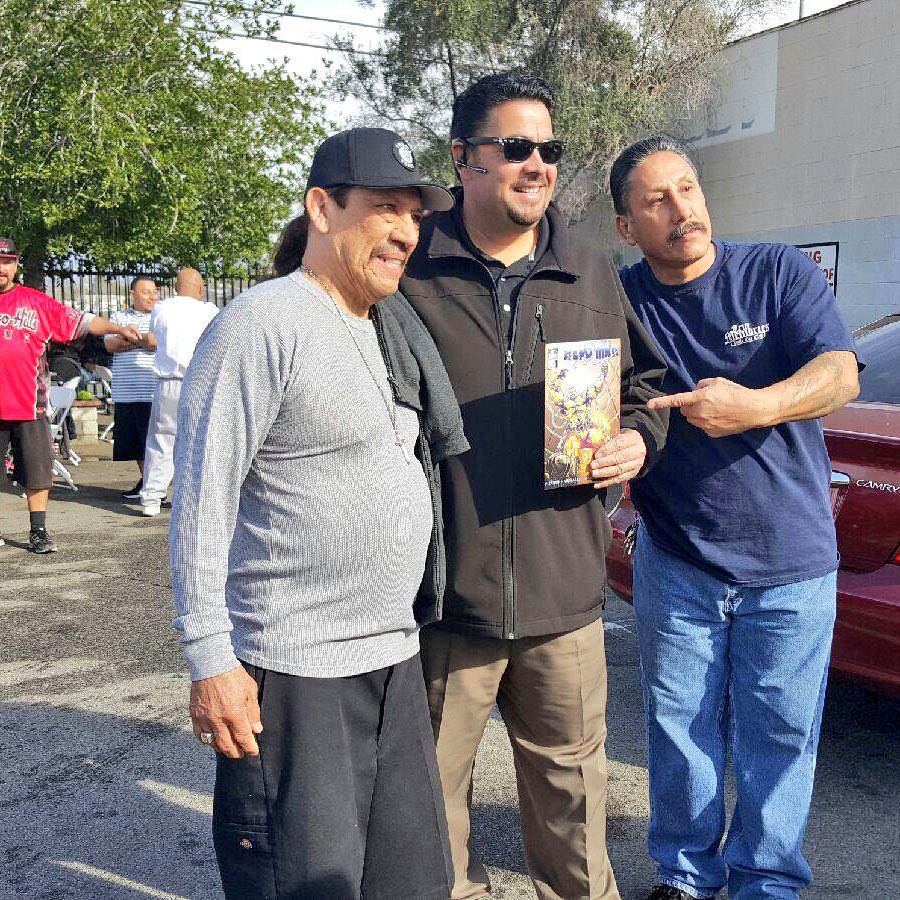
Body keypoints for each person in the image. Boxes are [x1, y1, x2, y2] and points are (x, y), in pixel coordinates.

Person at [170, 127, 467, 899]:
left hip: (392, 658)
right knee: (301, 886)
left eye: (414, 214)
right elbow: (200, 497)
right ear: (322, 208)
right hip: (293, 672)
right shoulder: (260, 324)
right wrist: (211, 659)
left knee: (411, 883)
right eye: (384, 209)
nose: (407, 230)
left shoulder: (390, 330)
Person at [399, 71, 669, 900]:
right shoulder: (409, 262)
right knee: (430, 812)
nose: (537, 165)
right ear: (462, 158)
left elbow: (648, 386)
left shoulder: (592, 267)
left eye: (548, 150)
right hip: (446, 600)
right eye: (515, 148)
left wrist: (637, 440)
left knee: (575, 816)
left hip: (564, 599)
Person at [610, 135, 860, 900]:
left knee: (780, 738)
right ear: (627, 224)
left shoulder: (776, 273)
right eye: (656, 199)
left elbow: (840, 371)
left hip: (792, 564)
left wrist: (755, 406)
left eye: (687, 188)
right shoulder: (620, 299)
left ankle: (767, 881)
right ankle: (685, 875)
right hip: (680, 559)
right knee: (679, 732)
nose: (681, 209)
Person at [0, 236, 142, 552]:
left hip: (29, 405)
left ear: (16, 265)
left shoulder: (35, 302)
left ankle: (38, 531)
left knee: (37, 472)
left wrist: (118, 329)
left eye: (7, 261)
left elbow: (83, 320)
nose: (2, 267)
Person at [137, 268, 217, 516]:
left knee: (161, 439)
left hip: (168, 381)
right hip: (200, 380)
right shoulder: (210, 311)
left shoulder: (163, 308)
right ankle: (194, 497)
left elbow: (153, 338)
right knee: (199, 440)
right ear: (201, 289)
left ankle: (151, 498)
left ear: (175, 287)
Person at [105, 275, 158, 501]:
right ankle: (146, 482)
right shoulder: (119, 317)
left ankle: (155, 486)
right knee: (135, 444)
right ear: (133, 294)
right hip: (127, 392)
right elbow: (110, 344)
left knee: (154, 442)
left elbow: (157, 342)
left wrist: (132, 339)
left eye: (154, 291)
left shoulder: (161, 315)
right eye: (146, 292)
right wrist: (142, 341)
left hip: (153, 391)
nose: (152, 296)